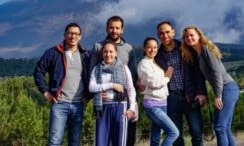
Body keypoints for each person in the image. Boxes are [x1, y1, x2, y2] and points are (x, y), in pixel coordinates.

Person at [33, 22, 91, 146]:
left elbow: (93, 76)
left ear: (80, 37)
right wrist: (45, 91)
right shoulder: (53, 53)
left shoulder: (85, 55)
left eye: (76, 34)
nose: (73, 36)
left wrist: (89, 96)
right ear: (64, 35)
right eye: (70, 33)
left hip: (78, 105)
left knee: (74, 142)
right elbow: (38, 72)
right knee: (55, 141)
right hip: (59, 104)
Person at [181, 25, 240, 146]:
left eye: (191, 35)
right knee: (225, 128)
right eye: (186, 36)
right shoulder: (196, 54)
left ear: (198, 36)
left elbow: (216, 72)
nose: (189, 38)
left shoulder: (205, 49)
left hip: (228, 88)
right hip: (226, 89)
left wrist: (218, 95)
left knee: (219, 127)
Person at [155, 21, 207, 146]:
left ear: (173, 32)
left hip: (190, 95)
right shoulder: (157, 54)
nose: (165, 35)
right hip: (171, 97)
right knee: (176, 135)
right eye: (161, 33)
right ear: (158, 35)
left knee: (197, 133)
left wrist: (201, 92)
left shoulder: (185, 48)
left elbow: (198, 72)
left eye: (167, 32)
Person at [89, 15, 138, 146]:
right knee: (102, 140)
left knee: (125, 139)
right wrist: (99, 92)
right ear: (107, 28)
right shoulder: (98, 46)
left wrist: (132, 105)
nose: (114, 30)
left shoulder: (129, 48)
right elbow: (92, 74)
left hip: (123, 101)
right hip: (103, 103)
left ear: (122, 29)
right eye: (111, 27)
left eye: (117, 28)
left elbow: (132, 76)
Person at [138, 37, 179, 146]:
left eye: (155, 47)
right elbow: (154, 84)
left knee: (156, 137)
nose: (153, 50)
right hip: (152, 104)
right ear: (144, 48)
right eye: (149, 47)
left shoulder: (156, 62)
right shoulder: (144, 63)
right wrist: (167, 77)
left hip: (163, 103)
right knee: (173, 132)